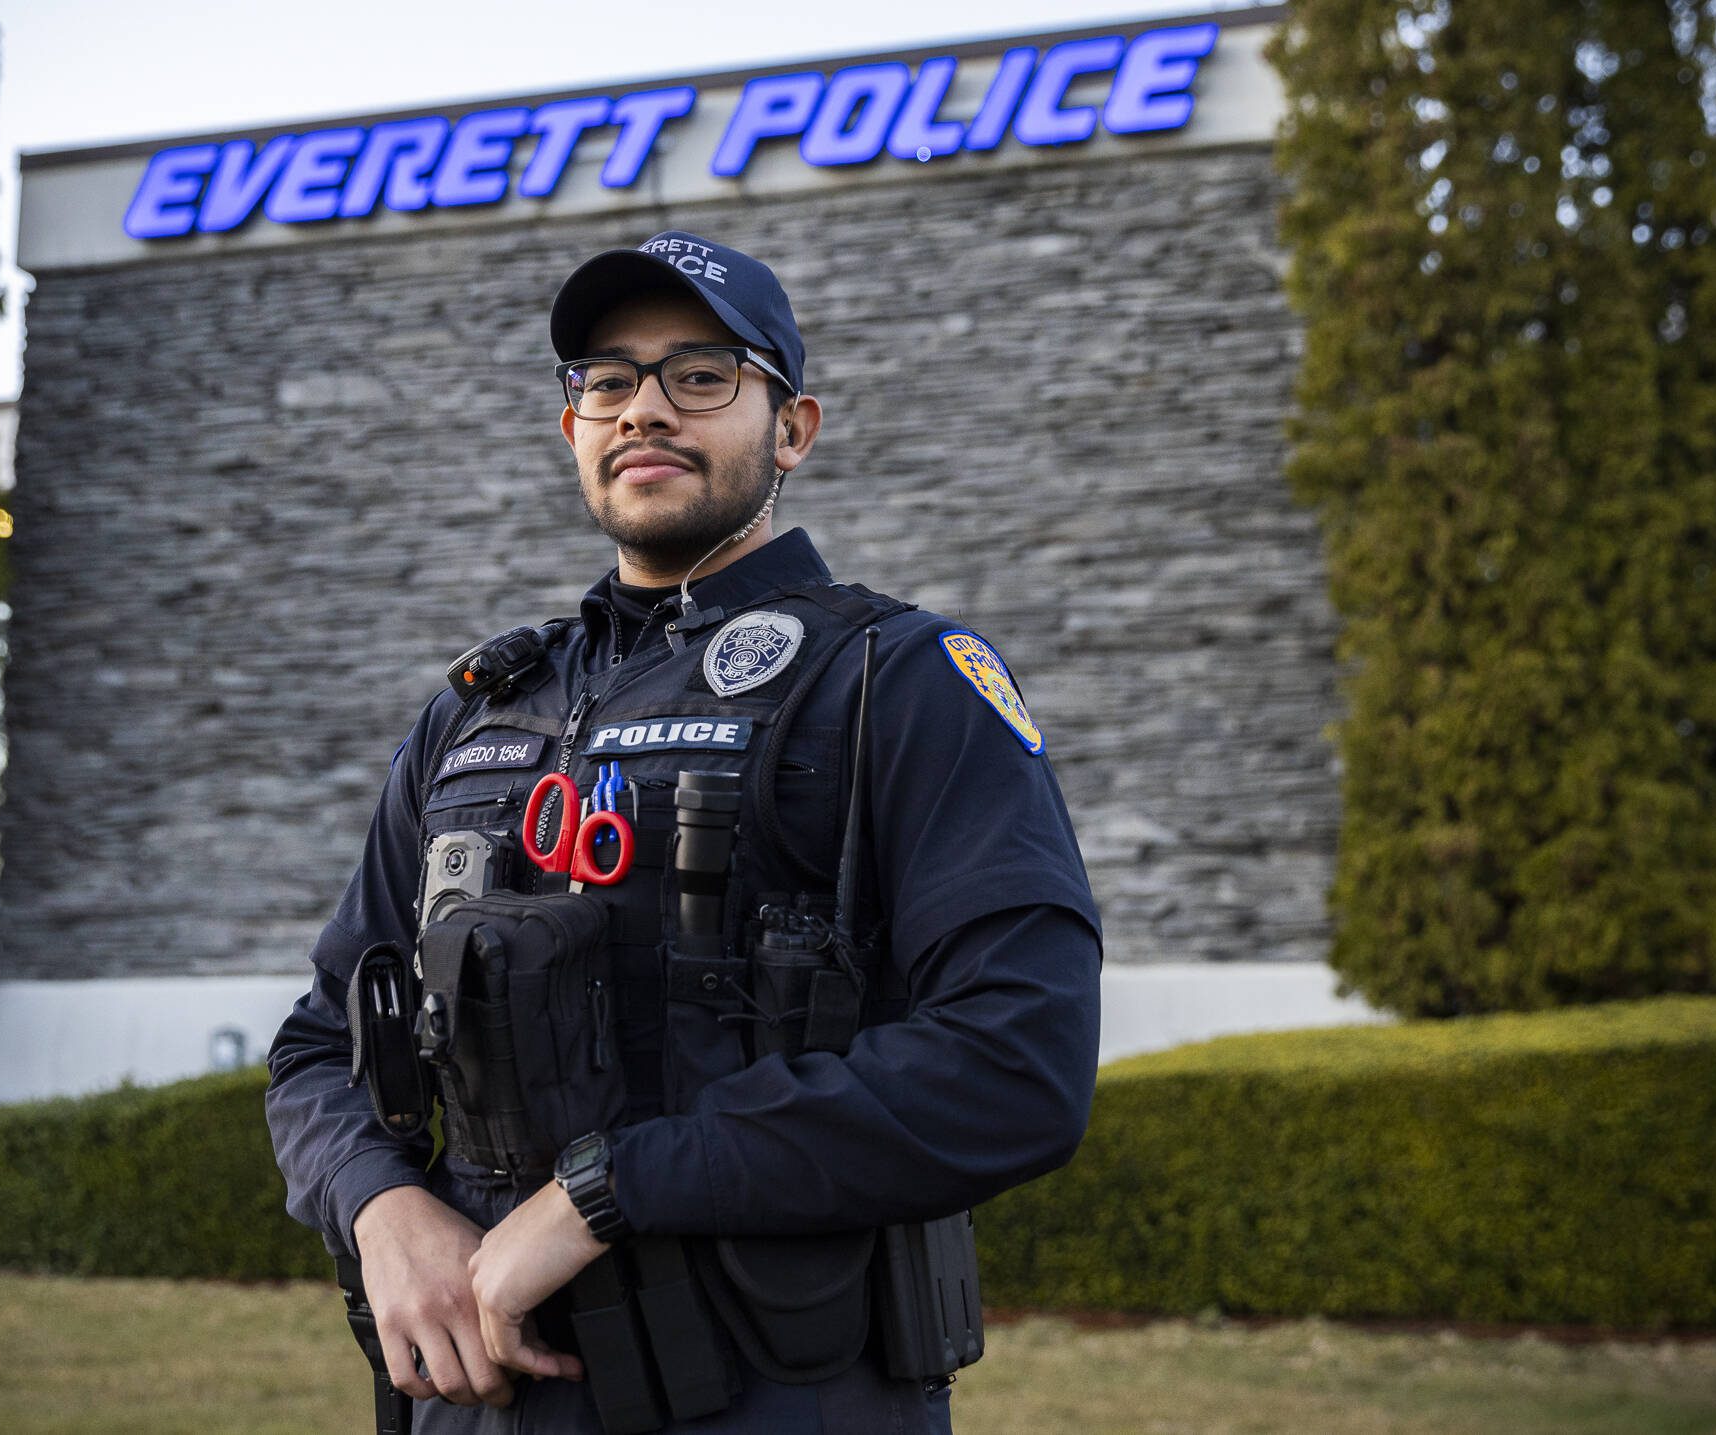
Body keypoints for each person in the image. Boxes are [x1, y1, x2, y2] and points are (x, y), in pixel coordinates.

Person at [266, 230, 1103, 1433]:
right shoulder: (479, 708)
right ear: (572, 429)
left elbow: (1015, 1061)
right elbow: (317, 1042)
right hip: (479, 1401)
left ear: (792, 427)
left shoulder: (892, 682)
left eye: (700, 374)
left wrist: (601, 1194)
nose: (642, 409)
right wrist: (379, 1209)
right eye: (606, 381)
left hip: (774, 1395)